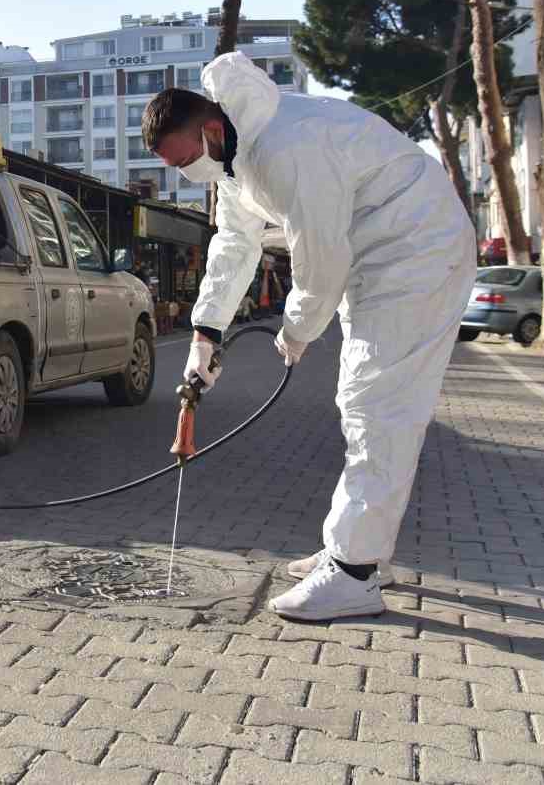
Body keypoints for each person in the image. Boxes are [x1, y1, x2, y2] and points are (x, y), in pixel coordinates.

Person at [144, 52, 475, 621]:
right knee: (365, 405)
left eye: (185, 160)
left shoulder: (283, 147)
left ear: (212, 129)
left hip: (416, 252)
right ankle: (360, 552)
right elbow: (233, 246)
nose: (185, 173)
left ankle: (353, 573)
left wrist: (296, 331)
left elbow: (319, 257)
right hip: (381, 258)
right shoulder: (238, 159)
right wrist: (204, 333)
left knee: (376, 407)